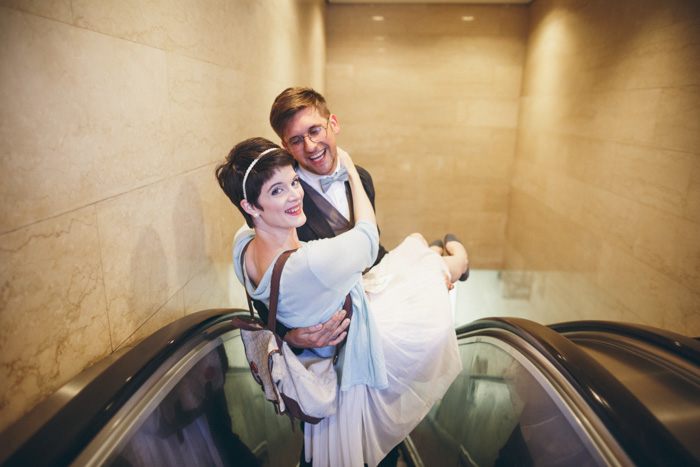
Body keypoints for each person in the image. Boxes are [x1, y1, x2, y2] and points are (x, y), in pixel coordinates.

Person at [215, 137, 466, 466]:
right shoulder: (309, 263)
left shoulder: (242, 246)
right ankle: (457, 255)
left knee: (414, 255)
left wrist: (290, 333)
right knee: (440, 270)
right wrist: (349, 168)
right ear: (250, 206)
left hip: (322, 358)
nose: (294, 195)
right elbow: (368, 237)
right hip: (354, 356)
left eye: (293, 181)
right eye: (277, 191)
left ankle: (433, 252)